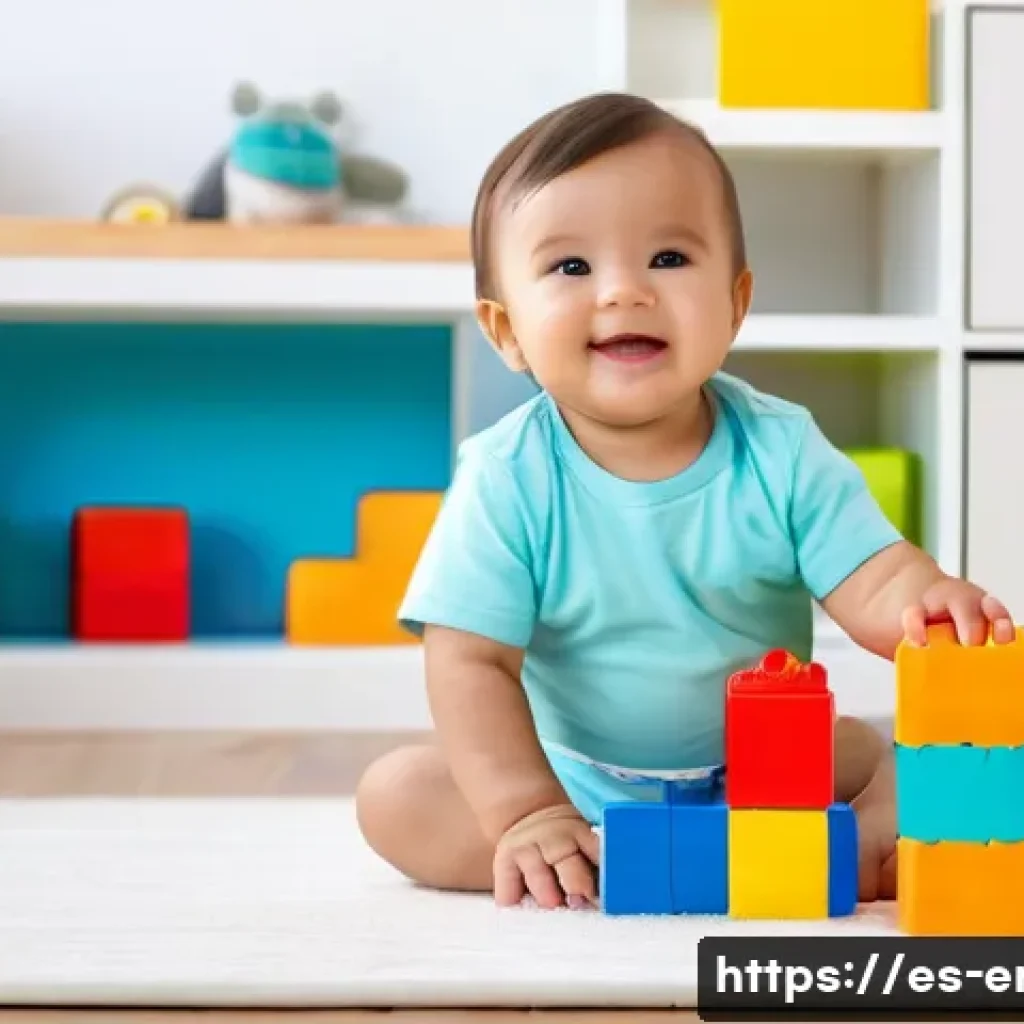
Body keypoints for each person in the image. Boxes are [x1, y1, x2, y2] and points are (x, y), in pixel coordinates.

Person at [355, 92, 1014, 912]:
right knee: (396, 795)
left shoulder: (780, 447)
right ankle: (589, 858)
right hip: (580, 787)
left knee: (880, 753)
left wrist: (931, 605)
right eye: (571, 267)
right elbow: (471, 663)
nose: (624, 291)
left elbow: (873, 578)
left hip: (768, 777)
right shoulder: (506, 474)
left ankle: (848, 845)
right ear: (505, 329)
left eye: (668, 258)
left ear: (735, 304)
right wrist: (525, 810)